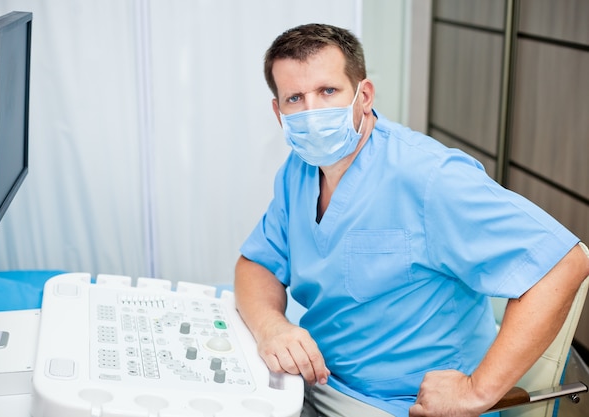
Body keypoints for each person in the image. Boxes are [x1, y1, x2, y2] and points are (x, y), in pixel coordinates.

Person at [234, 23, 589, 417]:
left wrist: (476, 392)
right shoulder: (298, 170)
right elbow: (257, 263)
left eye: (328, 91)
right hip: (320, 385)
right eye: (295, 98)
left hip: (402, 406)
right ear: (278, 111)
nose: (312, 112)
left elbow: (564, 261)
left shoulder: (428, 176)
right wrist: (272, 327)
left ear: (363, 95)